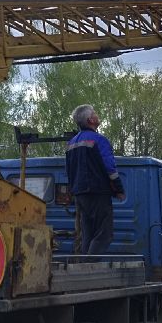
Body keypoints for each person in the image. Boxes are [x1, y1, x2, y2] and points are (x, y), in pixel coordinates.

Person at [65, 104, 125, 255]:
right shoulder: (99, 140)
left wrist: (73, 192)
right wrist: (118, 189)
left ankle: (85, 269)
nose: (98, 116)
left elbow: (69, 170)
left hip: (80, 195)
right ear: (90, 120)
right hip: (98, 193)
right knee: (104, 234)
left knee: (88, 234)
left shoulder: (71, 143)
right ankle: (90, 267)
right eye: (95, 113)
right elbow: (110, 168)